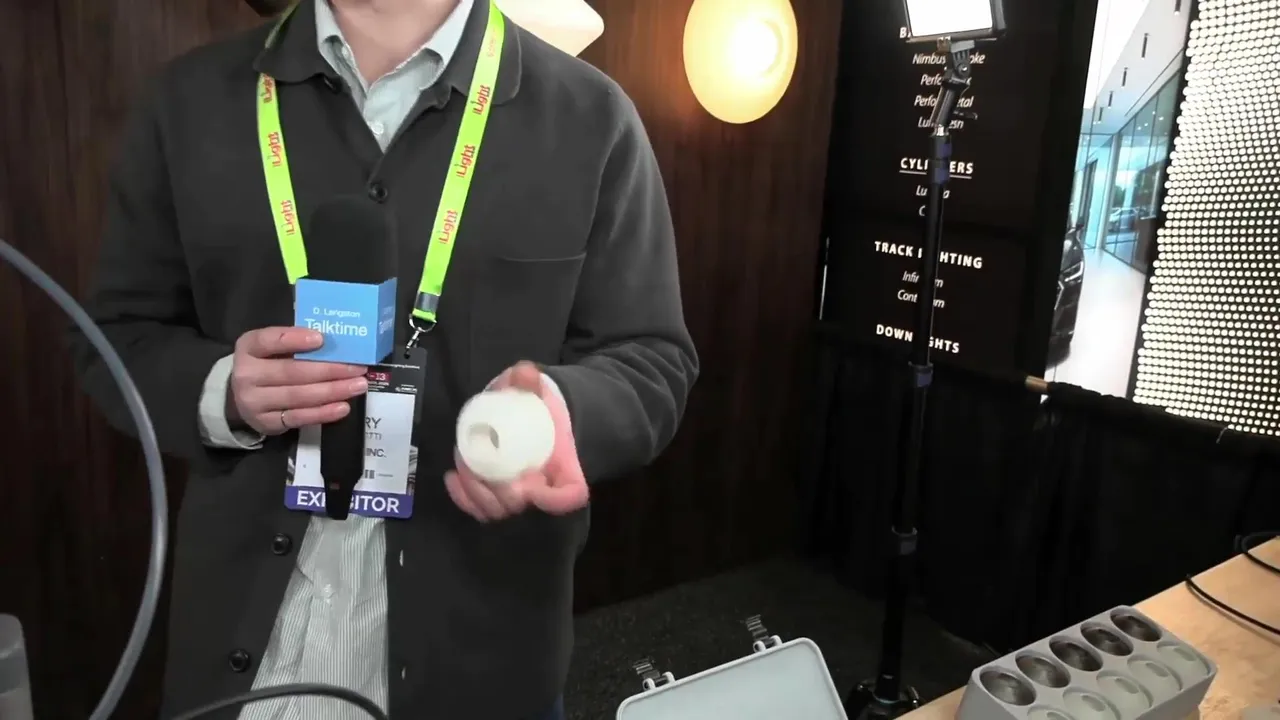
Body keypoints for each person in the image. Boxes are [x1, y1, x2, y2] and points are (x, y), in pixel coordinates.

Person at [68, 0, 698, 718]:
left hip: (481, 663)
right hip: (240, 663)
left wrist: (560, 415)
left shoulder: (592, 119)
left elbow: (652, 359)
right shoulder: (186, 103)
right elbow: (115, 335)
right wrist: (224, 393)